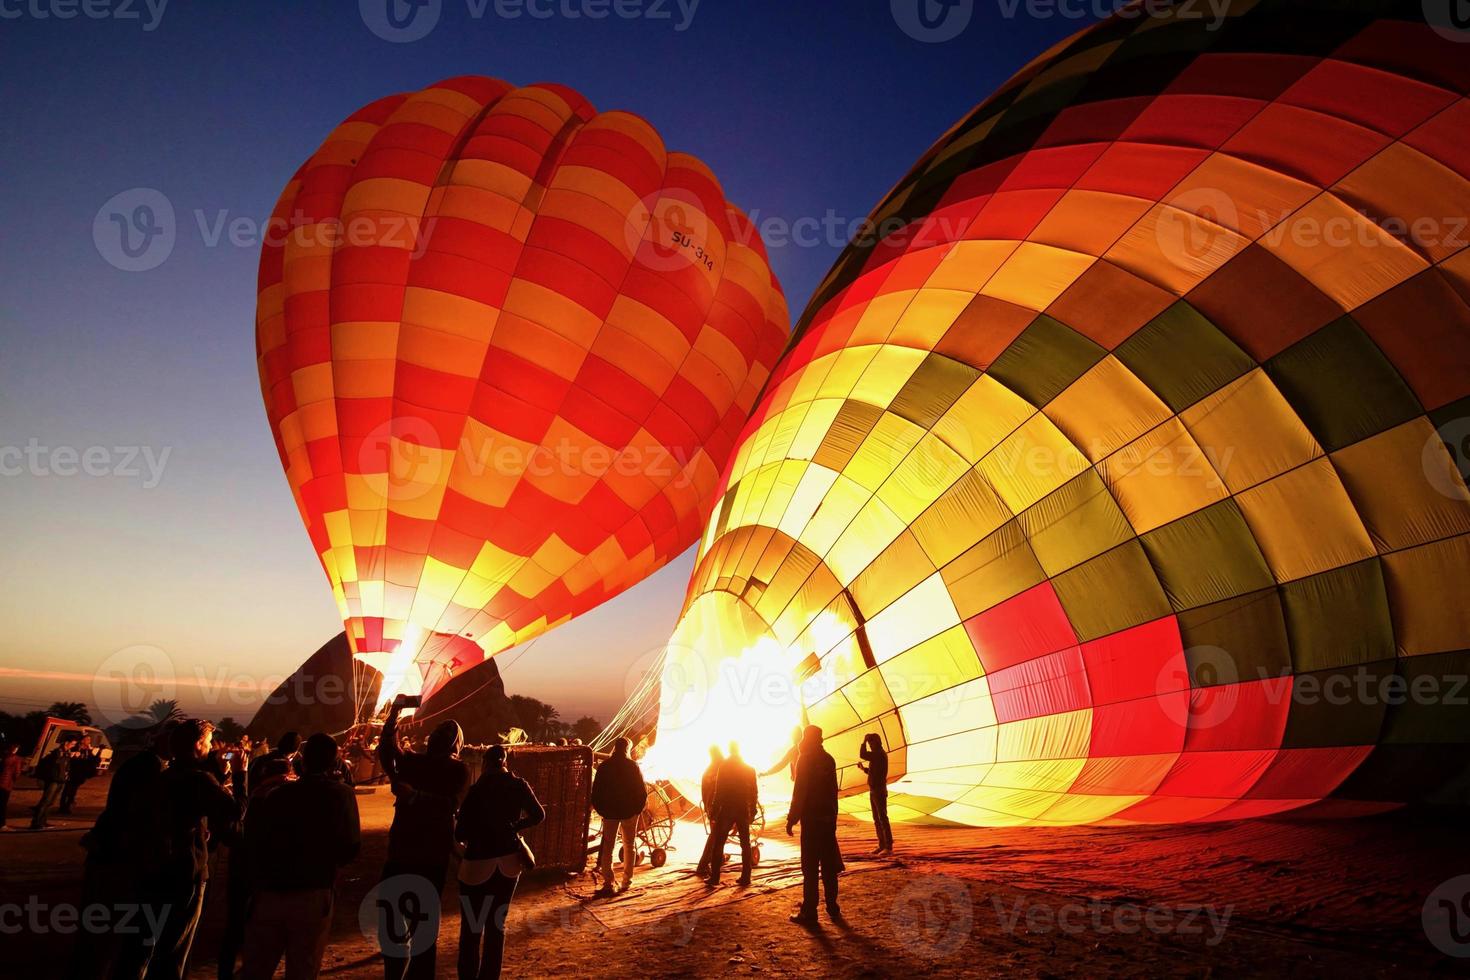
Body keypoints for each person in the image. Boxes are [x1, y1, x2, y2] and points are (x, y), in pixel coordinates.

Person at [238, 733, 360, 980]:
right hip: (314, 890)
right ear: (334, 763)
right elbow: (350, 848)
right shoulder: (342, 795)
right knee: (303, 967)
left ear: (302, 762)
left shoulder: (278, 795)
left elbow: (256, 840)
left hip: (271, 890)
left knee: (257, 965)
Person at [376, 695, 470, 980]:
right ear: (459, 744)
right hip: (427, 857)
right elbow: (387, 751)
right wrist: (393, 716)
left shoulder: (426, 765)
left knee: (398, 926)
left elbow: (387, 750)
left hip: (406, 853)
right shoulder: (448, 768)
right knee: (421, 928)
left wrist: (394, 715)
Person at [68, 723, 173, 980]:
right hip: (120, 858)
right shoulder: (153, 769)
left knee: (99, 932)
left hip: (110, 851)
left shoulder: (142, 764)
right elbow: (143, 814)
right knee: (111, 935)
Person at [148, 718, 241, 980]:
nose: (212, 748)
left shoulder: (166, 775)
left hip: (160, 866)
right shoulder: (198, 779)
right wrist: (240, 774)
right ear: (198, 744)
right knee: (178, 943)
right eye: (209, 742)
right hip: (187, 868)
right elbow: (235, 811)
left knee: (159, 939)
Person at [455, 744, 545, 980]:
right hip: (508, 864)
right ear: (505, 762)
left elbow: (460, 833)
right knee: (497, 927)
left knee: (472, 930)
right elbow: (538, 815)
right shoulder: (518, 786)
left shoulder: (476, 790)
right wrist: (514, 827)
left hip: (477, 865)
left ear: (485, 763)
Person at [786, 725, 842, 924]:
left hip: (811, 821)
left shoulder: (805, 758)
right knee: (828, 865)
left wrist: (792, 818)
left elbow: (799, 792)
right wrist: (833, 818)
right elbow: (833, 792)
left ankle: (810, 910)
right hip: (827, 820)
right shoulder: (828, 759)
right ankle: (832, 906)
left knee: (810, 867)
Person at [590, 737, 646, 896]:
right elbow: (641, 791)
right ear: (627, 749)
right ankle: (626, 881)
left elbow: (596, 791)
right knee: (629, 845)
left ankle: (608, 882)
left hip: (610, 813)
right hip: (629, 812)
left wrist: (601, 809)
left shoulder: (604, 766)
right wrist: (637, 809)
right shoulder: (633, 766)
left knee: (608, 847)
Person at [706, 742, 758, 887]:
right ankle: (746, 876)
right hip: (742, 809)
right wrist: (752, 810)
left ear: (729, 750)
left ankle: (715, 877)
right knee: (745, 844)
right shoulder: (749, 769)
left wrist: (714, 812)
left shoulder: (724, 767)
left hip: (727, 809)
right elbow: (754, 792)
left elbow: (719, 791)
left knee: (719, 843)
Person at [857, 733, 892, 854]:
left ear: (877, 742)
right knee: (877, 819)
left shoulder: (879, 754)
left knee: (882, 818)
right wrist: (863, 769)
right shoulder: (876, 755)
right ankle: (882, 845)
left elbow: (862, 754)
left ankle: (888, 847)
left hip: (879, 790)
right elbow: (873, 772)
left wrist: (863, 741)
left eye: (871, 743)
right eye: (869, 743)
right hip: (874, 790)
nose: (870, 745)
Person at [29, 737, 73, 829]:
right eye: (72, 744)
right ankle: (36, 822)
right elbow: (55, 764)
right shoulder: (56, 753)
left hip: (61, 780)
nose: (72, 746)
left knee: (51, 802)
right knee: (45, 801)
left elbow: (66, 766)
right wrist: (63, 755)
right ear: (66, 743)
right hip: (53, 780)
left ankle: (43, 821)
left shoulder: (66, 754)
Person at [694, 745, 724, 878]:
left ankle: (718, 857)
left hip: (711, 807)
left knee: (717, 834)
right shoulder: (721, 769)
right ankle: (703, 864)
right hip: (719, 808)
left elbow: (704, 792)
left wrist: (707, 807)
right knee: (715, 836)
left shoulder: (708, 771)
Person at [59, 735, 101, 815]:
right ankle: (63, 807)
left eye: (90, 739)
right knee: (67, 790)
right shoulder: (75, 749)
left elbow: (93, 761)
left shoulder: (88, 751)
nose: (89, 741)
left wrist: (97, 752)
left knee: (73, 791)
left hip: (80, 774)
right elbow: (68, 759)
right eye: (87, 739)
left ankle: (68, 806)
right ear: (82, 741)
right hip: (72, 772)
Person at [0, 742, 22, 830]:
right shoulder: (16, 759)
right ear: (16, 749)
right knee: (3, 805)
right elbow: (17, 773)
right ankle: (2, 824)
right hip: (6, 784)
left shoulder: (3, 756)